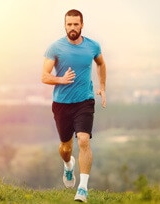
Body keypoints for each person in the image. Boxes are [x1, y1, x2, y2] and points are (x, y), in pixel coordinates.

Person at [41, 9, 106, 202]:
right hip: (62, 104)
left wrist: (102, 86)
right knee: (65, 147)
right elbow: (44, 76)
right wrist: (61, 80)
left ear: (82, 25)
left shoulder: (93, 46)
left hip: (84, 101)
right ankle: (69, 165)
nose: (72, 28)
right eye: (69, 24)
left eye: (75, 24)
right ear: (65, 25)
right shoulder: (55, 48)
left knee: (84, 141)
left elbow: (101, 64)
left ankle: (83, 189)